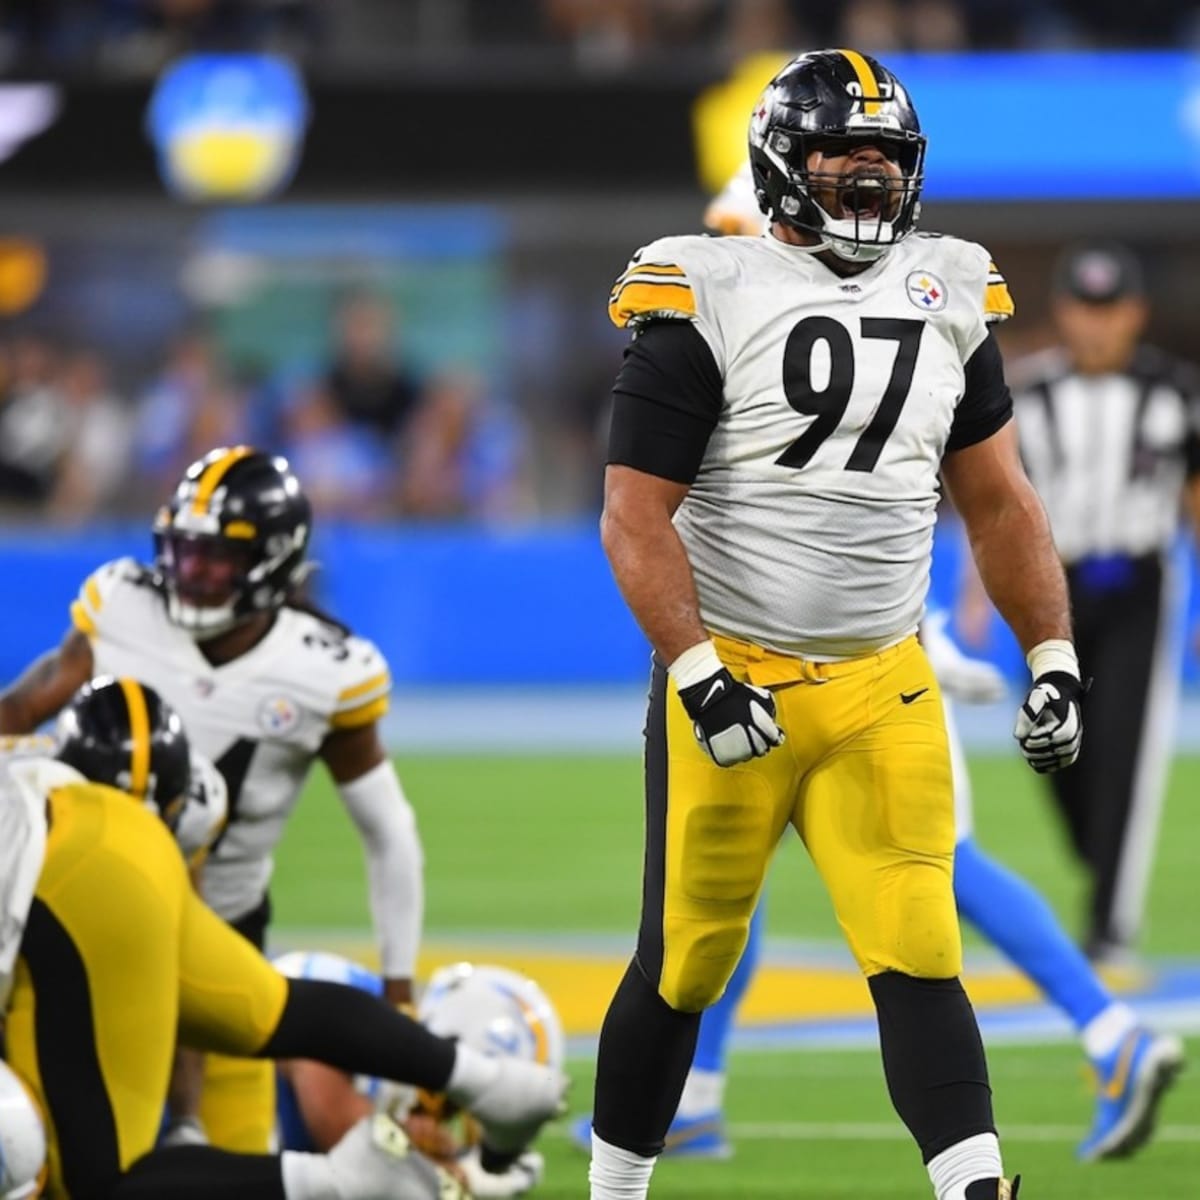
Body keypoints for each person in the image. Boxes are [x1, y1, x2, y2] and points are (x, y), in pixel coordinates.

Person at [576, 161, 1185, 1168]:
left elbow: (983, 499)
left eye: (881, 179)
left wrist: (1042, 650)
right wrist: (697, 670)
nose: (865, 205)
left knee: (921, 935)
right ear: (769, 198)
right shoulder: (713, 284)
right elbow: (644, 513)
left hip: (880, 664)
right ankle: (670, 1128)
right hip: (746, 654)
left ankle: (1008, 1134)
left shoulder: (942, 286)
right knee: (692, 947)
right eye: (840, 182)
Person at [0, 446, 425, 1155]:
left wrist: (401, 992)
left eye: (215, 558)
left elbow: (389, 832)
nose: (189, 572)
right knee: (60, 1156)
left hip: (222, 945)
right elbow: (15, 715)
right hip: (88, 932)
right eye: (181, 550)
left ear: (273, 558)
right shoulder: (123, 606)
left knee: (230, 1166)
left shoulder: (325, 671)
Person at [0, 678, 567, 1200]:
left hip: (73, 869)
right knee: (273, 1006)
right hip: (105, 847)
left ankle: (346, 1182)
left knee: (94, 1184)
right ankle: (494, 1084)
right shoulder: (113, 804)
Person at [1001, 242, 1200, 964]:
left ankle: (1109, 925)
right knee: (1055, 749)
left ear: (1136, 315)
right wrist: (975, 590)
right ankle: (1098, 851)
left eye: (1110, 310)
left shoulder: (1174, 392)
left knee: (1125, 753)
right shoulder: (1030, 396)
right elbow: (1000, 501)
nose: (1096, 326)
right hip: (1056, 590)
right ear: (1063, 313)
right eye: (1085, 310)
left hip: (1141, 585)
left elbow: (1194, 496)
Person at [273, 953, 561, 1197]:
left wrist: (420, 1155)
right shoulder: (353, 995)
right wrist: (452, 1175)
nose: (445, 1119)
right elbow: (344, 1138)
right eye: (451, 1104)